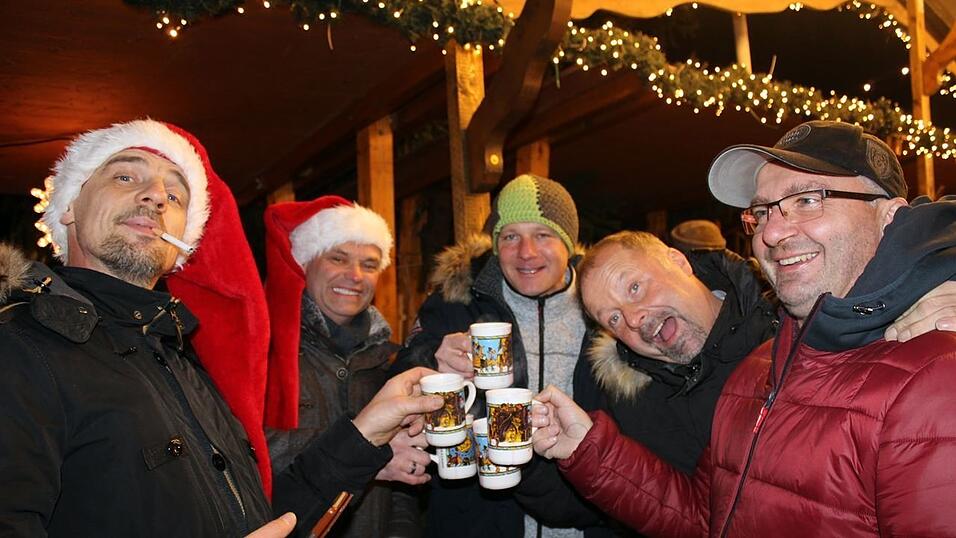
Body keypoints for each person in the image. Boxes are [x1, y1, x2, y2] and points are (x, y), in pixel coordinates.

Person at [0, 119, 442, 537]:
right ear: (69, 207)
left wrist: (367, 431)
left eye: (176, 196)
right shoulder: (19, 347)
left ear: (183, 244)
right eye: (125, 177)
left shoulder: (183, 361)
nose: (156, 196)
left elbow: (267, 518)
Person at [534, 120, 956, 536]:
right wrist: (587, 448)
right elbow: (711, 517)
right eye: (762, 212)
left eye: (807, 200)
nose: (772, 231)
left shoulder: (932, 373)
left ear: (888, 216)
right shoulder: (758, 371)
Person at [393, 174, 597, 537]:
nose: (526, 252)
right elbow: (393, 380)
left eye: (543, 235)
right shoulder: (455, 303)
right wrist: (428, 357)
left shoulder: (603, 308)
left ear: (567, 242)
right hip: (477, 520)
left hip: (584, 520)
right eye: (510, 237)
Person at [262, 196, 427, 537]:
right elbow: (249, 460)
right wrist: (363, 453)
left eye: (369, 264)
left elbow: (402, 493)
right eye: (338, 258)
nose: (355, 276)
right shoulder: (265, 353)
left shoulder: (387, 361)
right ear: (305, 263)